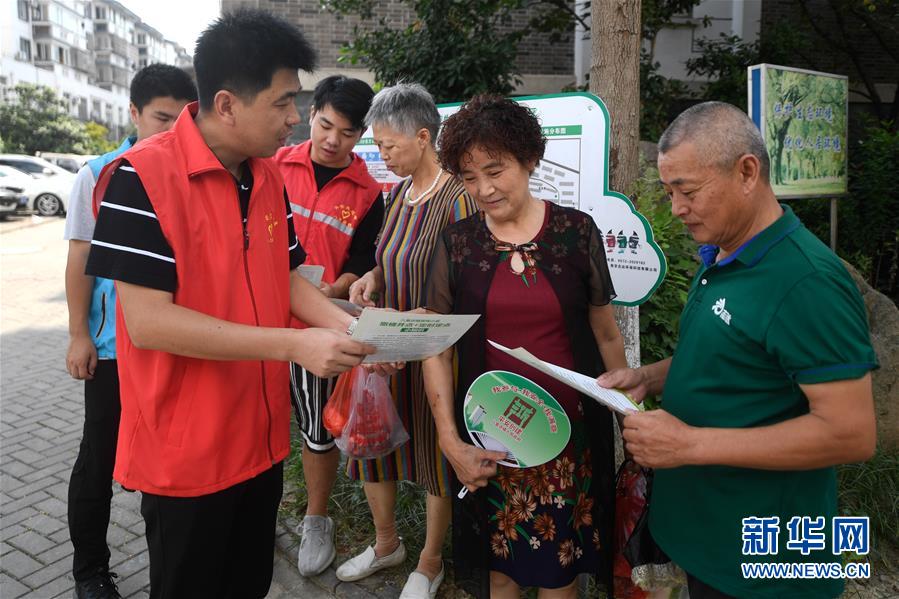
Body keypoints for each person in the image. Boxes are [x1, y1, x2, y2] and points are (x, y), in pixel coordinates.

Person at [84, 10, 382, 598]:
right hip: (187, 452)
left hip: (260, 438)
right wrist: (293, 344)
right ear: (226, 104)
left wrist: (367, 331)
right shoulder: (138, 177)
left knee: (249, 584)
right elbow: (148, 323)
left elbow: (287, 279)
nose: (294, 118)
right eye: (283, 102)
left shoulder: (266, 176)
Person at [600, 101, 878, 598]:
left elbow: (850, 432)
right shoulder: (725, 254)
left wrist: (689, 445)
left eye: (687, 191)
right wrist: (649, 377)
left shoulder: (806, 282)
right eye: (669, 192)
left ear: (747, 172)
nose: (676, 208)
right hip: (706, 537)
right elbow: (735, 359)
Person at [422, 94, 627, 599]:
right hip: (489, 436)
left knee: (560, 573)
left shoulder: (575, 233)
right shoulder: (458, 244)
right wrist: (450, 441)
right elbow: (437, 349)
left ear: (530, 158)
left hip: (566, 439)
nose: (484, 189)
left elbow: (605, 333)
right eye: (470, 178)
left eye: (495, 171)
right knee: (499, 570)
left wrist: (629, 413)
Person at [64, 63, 196, 599]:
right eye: (162, 118)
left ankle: (170, 572)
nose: (172, 131)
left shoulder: (190, 172)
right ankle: (90, 571)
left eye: (182, 120)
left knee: (164, 467)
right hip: (114, 352)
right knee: (99, 460)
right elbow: (80, 261)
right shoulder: (99, 174)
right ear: (134, 113)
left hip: (172, 346)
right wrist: (79, 335)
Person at [340, 83, 477, 598]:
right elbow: (389, 257)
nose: (383, 155)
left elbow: (467, 281)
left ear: (423, 137)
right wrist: (371, 278)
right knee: (374, 444)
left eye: (389, 145)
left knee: (436, 450)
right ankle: (386, 543)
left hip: (436, 350)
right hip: (386, 350)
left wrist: (421, 318)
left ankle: (430, 561)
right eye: (377, 146)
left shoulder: (458, 198)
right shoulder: (398, 195)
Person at [273, 75, 384, 577]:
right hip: (256, 322)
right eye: (325, 125)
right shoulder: (273, 166)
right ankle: (254, 504)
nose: (333, 140)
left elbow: (362, 261)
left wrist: (335, 289)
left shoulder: (369, 193)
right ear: (310, 113)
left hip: (319, 328)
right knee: (255, 419)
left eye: (347, 132)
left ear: (362, 134)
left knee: (317, 430)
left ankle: (316, 518)